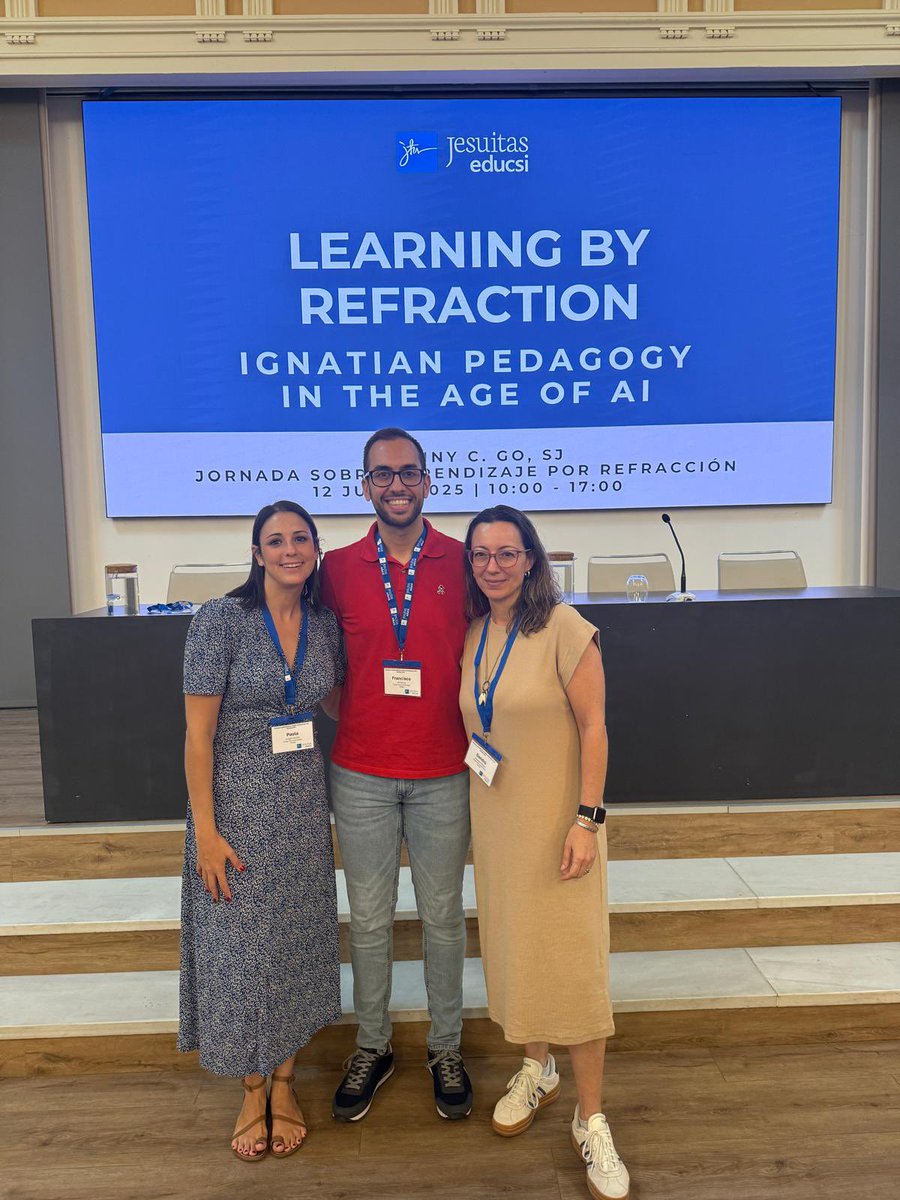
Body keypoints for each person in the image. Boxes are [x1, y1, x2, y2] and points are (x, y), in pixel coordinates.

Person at [459, 505, 630, 1200]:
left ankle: (593, 1119)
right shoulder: (474, 632)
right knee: (518, 953)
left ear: (532, 558)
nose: (493, 565)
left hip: (560, 826)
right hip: (498, 824)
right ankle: (539, 1069)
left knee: (571, 965)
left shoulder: (565, 628)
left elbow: (595, 727)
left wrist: (586, 820)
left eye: (507, 552)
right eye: (481, 554)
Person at [179, 500, 345, 1161]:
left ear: (316, 548)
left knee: (294, 940)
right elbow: (196, 736)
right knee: (241, 947)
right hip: (236, 804)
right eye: (275, 540)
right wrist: (208, 832)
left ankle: (285, 1079)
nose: (289, 550)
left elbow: (332, 698)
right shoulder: (220, 620)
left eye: (300, 538)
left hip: (303, 800)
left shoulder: (324, 623)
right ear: (257, 553)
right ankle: (251, 1086)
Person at [319, 427, 473, 1122]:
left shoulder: (466, 560)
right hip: (361, 773)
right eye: (383, 475)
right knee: (372, 922)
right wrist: (359, 710)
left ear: (428, 481)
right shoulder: (337, 567)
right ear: (364, 486)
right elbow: (321, 667)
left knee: (443, 920)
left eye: (408, 472)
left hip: (445, 771)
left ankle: (447, 1045)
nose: (397, 485)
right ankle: (373, 1045)